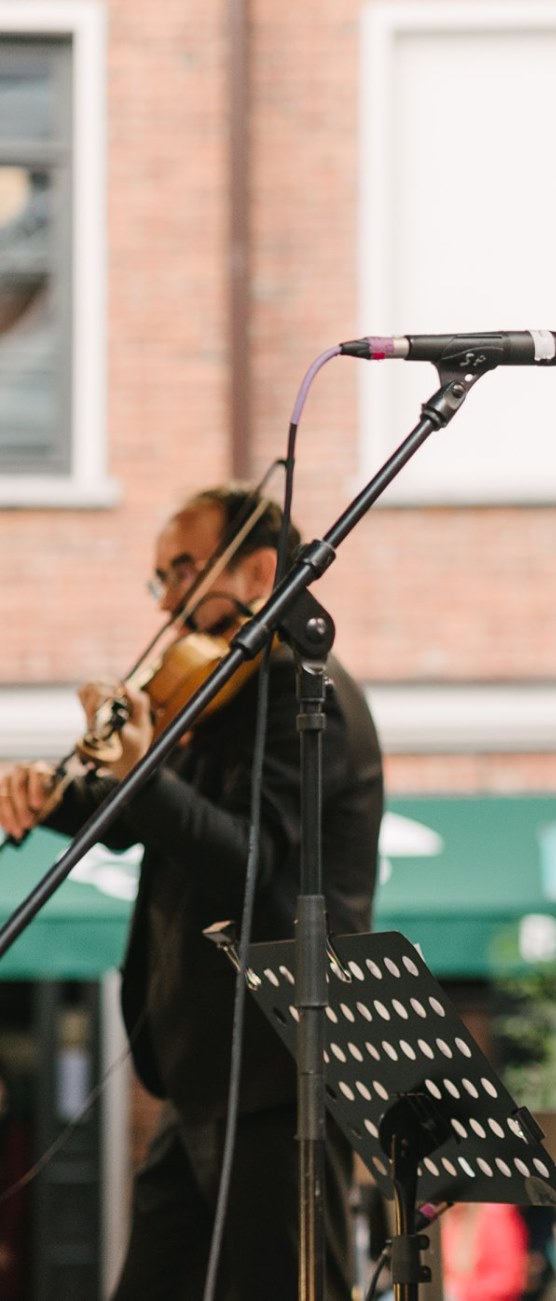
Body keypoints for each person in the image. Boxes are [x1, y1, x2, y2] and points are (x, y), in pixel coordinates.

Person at [0, 484, 384, 1301]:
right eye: (160, 578)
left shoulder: (298, 691)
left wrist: (139, 767)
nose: (169, 600)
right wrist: (53, 791)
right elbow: (141, 816)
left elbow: (241, 857)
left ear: (257, 571)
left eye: (184, 568)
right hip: (203, 1078)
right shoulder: (219, 691)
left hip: (278, 1078)